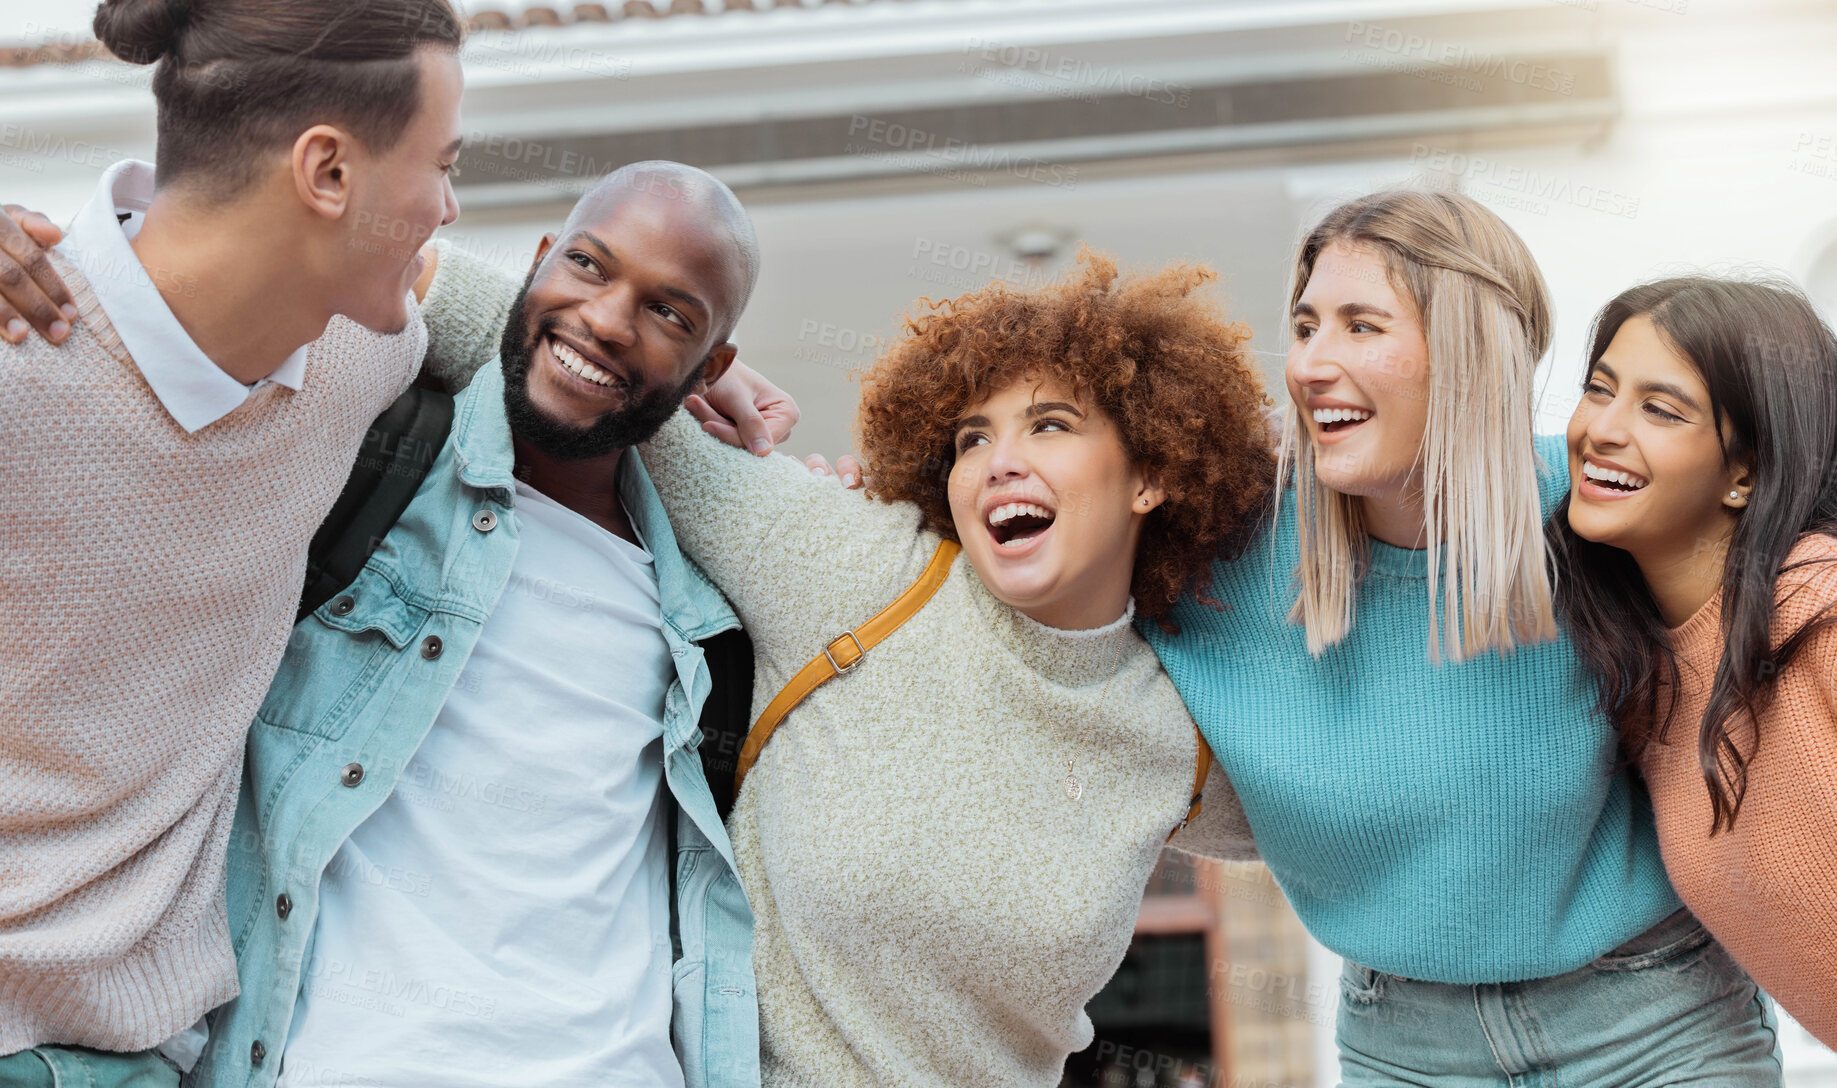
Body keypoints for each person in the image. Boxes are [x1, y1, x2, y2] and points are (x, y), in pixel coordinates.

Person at [424, 243, 1268, 1087]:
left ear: (1151, 474)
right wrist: (683, 359)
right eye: (973, 438)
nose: (998, 461)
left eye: (1049, 425)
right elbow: (496, 329)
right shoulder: (860, 570)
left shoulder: (1180, 735)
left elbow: (1374, 815)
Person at [1142, 192, 1781, 1085]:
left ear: (1471, 352)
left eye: (1362, 326)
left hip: (1653, 1022)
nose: (1311, 364)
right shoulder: (1214, 553)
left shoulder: (1605, 512)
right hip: (1405, 1046)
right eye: (1304, 325)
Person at [0, 0, 466, 1080]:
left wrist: (687, 376)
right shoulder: (20, 371)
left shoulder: (358, 354)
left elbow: (499, 310)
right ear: (328, 173)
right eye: (439, 166)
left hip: (156, 1051)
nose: (449, 206)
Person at [1549, 275, 1837, 1045]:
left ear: (1743, 473)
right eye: (1598, 390)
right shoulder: (1647, 669)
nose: (1600, 430)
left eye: (1659, 408)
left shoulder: (1821, 610)